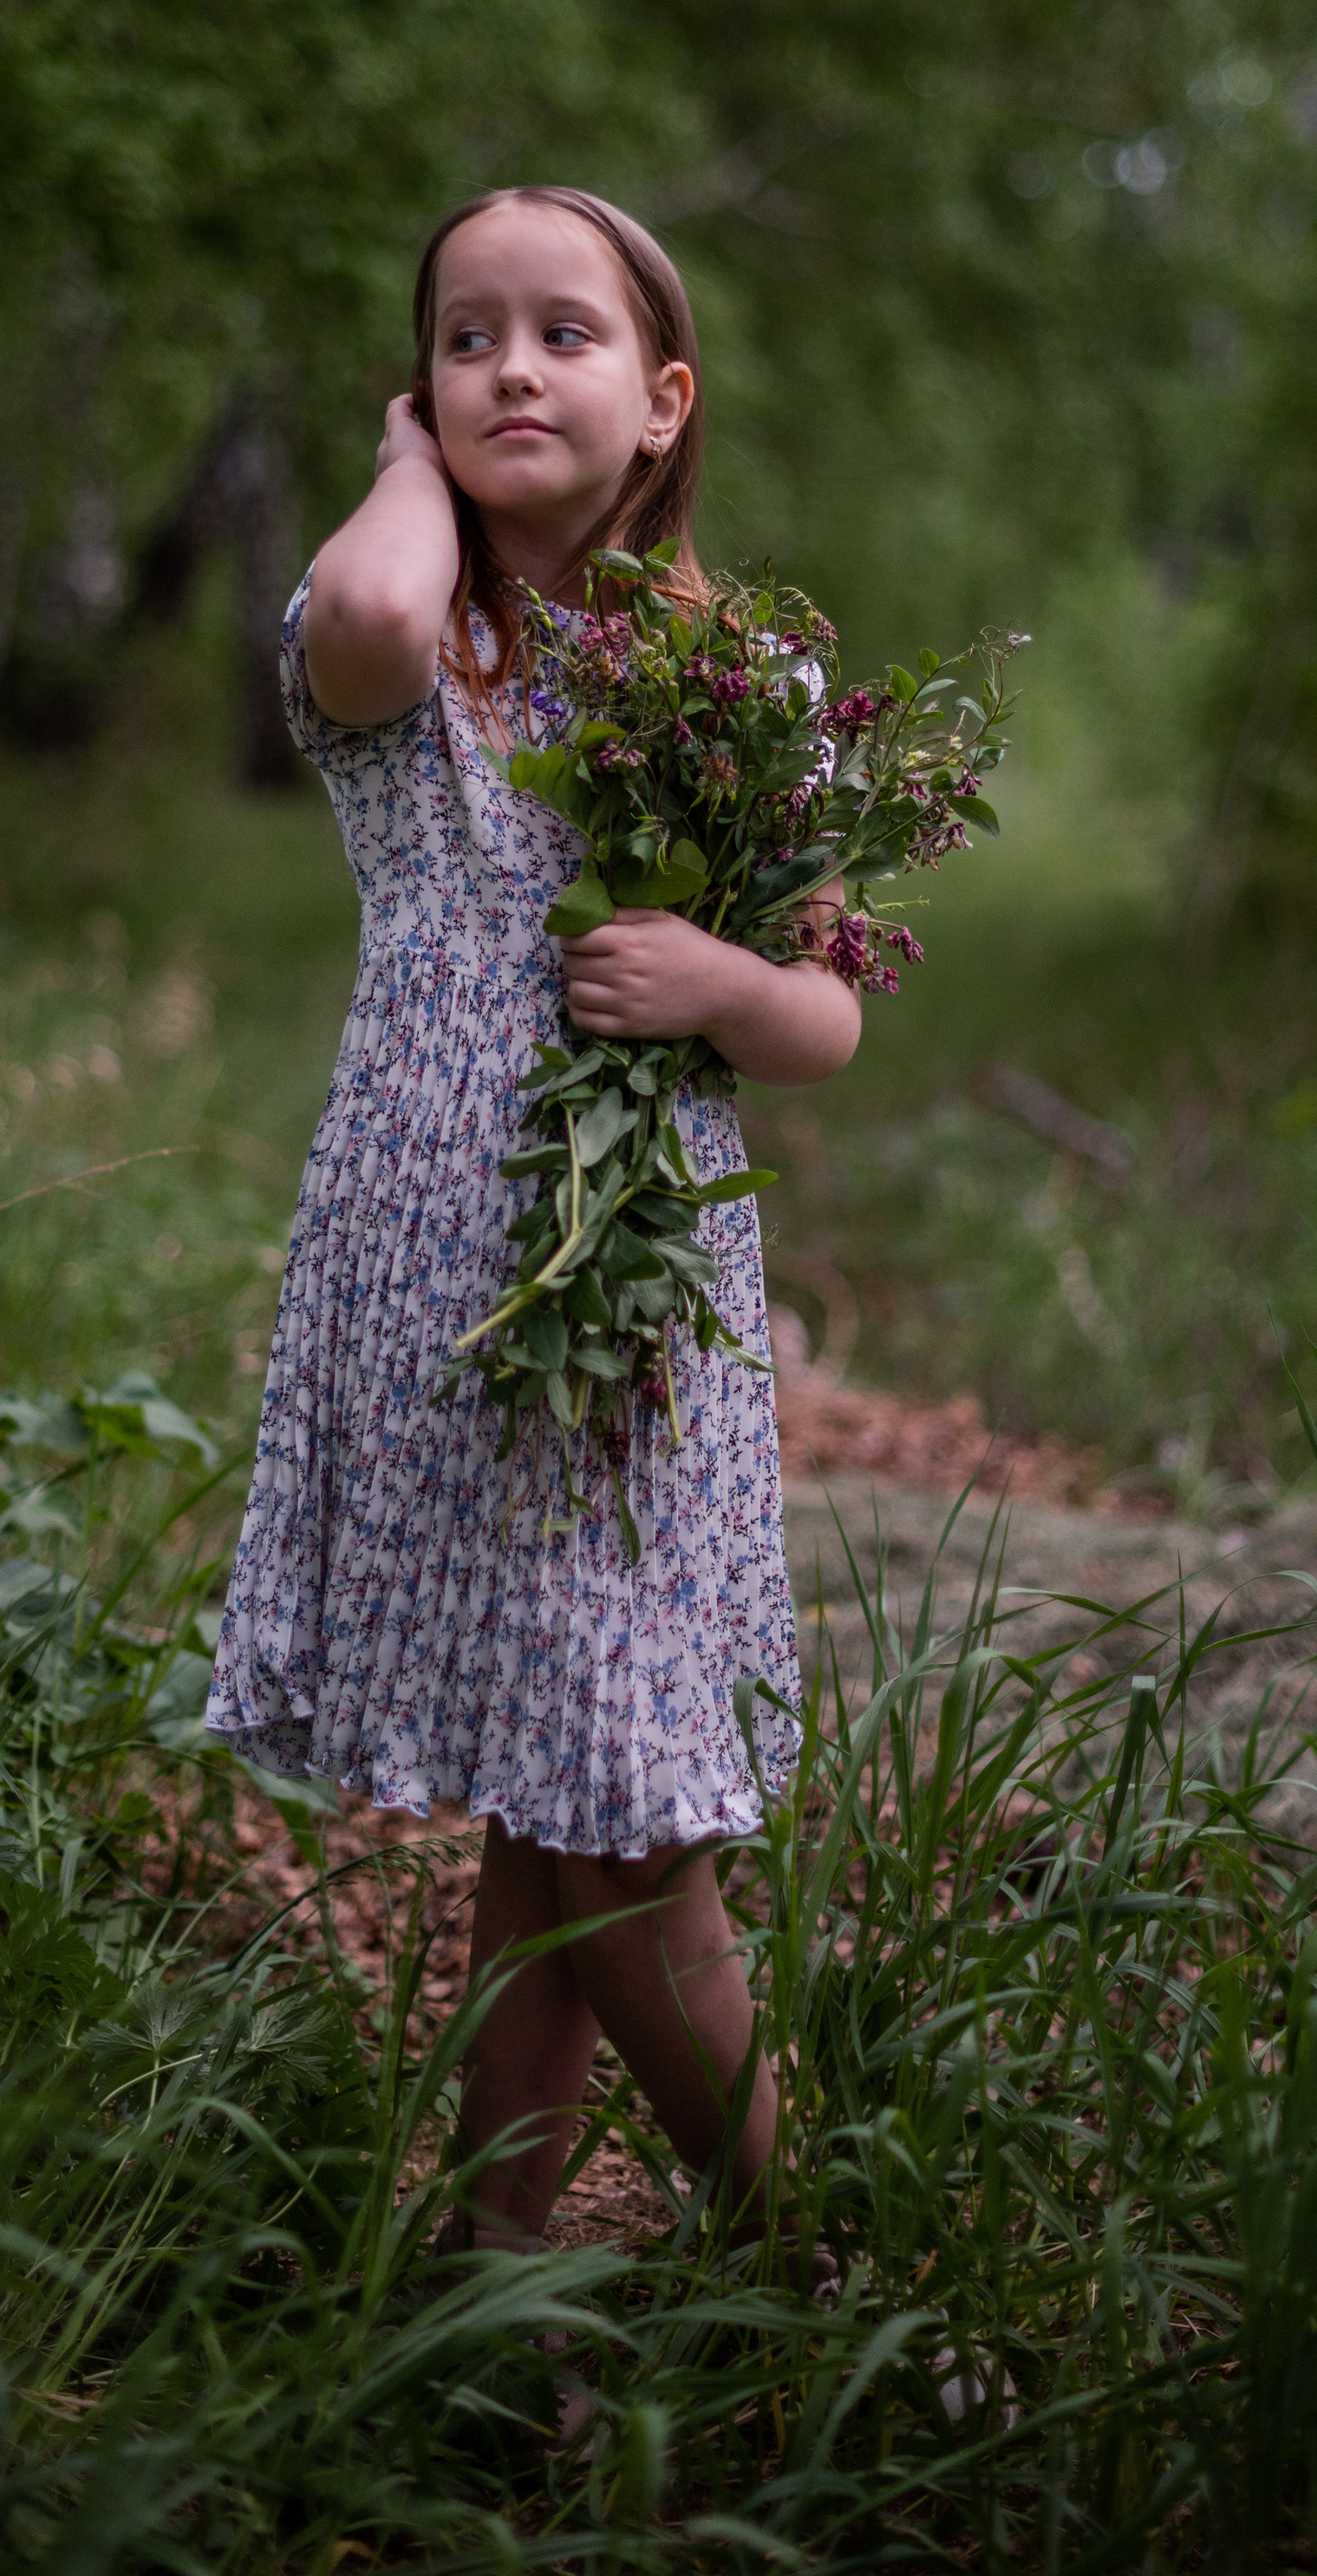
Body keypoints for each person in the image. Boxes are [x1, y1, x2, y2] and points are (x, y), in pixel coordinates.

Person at [205, 185, 861, 2260]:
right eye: (463, 337)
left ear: (662, 402)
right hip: (434, 1263)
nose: (508, 367)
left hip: (635, 1295)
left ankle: (742, 2250)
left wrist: (716, 989)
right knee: (558, 1775)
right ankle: (639, 2268)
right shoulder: (406, 636)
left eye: (560, 334)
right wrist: (402, 470)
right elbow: (380, 618)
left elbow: (828, 1011)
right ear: (418, 392)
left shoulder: (744, 676)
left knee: (597, 1798)